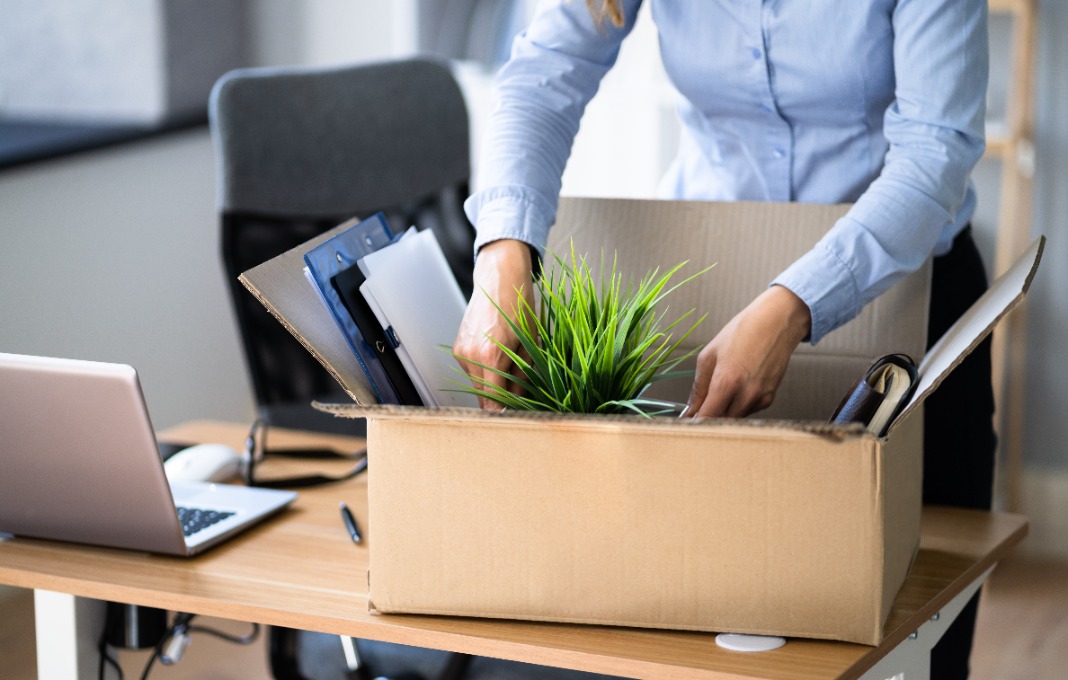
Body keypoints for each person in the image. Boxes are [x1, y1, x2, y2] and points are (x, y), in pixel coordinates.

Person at [453, 1, 993, 678]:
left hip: (906, 294)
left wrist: (796, 303)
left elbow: (934, 155)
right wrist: (504, 254)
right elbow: (542, 75)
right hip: (719, 286)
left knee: (918, 635)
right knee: (702, 631)